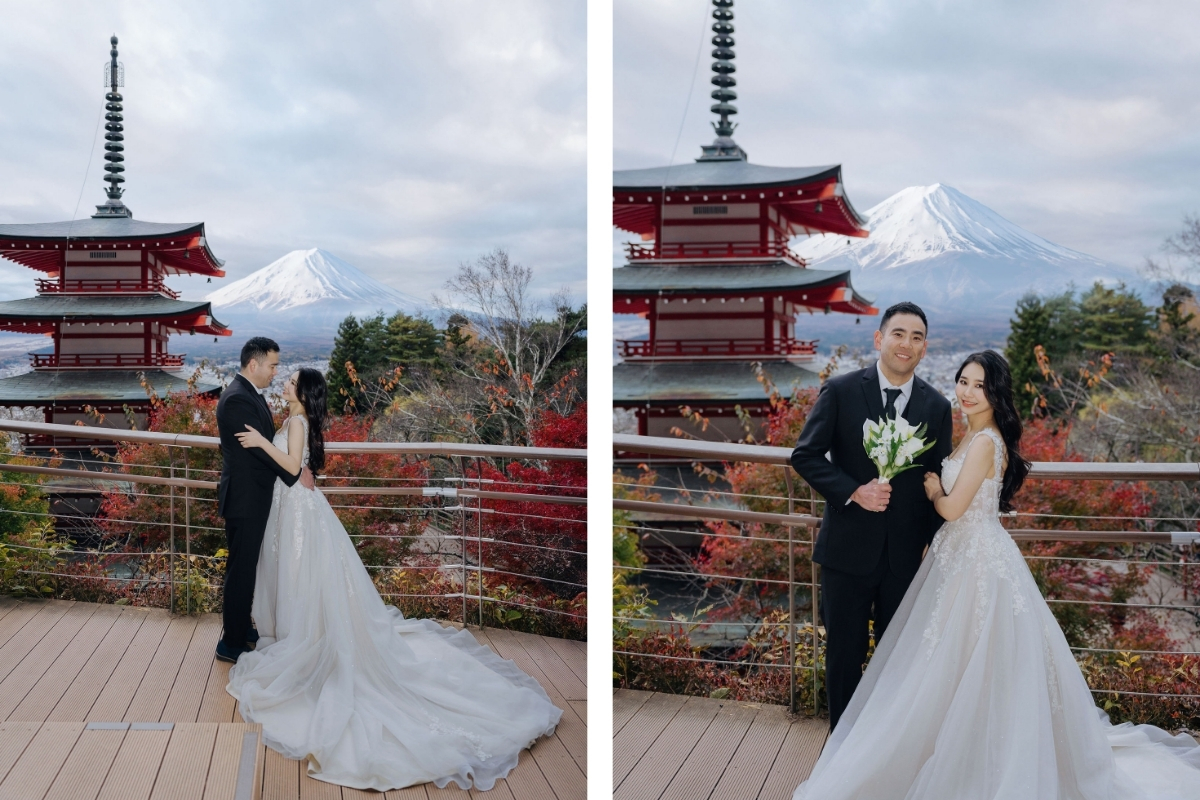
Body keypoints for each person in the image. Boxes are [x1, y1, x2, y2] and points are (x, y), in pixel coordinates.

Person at [793, 350, 1200, 798]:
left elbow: (952, 507)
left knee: (965, 657)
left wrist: (933, 490)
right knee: (948, 661)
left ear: (995, 393)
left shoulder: (985, 442)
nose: (967, 392)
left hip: (977, 561)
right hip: (957, 557)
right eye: (963, 381)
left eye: (979, 385)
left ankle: (973, 757)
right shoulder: (969, 435)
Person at [225, 367, 562, 792]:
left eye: (291, 380)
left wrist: (258, 442)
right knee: (305, 581)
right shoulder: (297, 420)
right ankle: (302, 635)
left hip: (297, 512)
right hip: (298, 509)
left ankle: (302, 643)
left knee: (300, 578)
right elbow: (300, 467)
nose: (285, 382)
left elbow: (293, 466)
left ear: (303, 392)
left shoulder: (295, 421)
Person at [791, 301, 953, 729]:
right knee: (843, 654)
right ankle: (839, 749)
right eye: (899, 334)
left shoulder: (936, 407)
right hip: (846, 551)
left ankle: (882, 749)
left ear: (924, 348)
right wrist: (853, 491)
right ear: (880, 339)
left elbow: (939, 480)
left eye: (917, 337)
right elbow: (805, 455)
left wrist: (928, 546)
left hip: (905, 560)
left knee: (898, 657)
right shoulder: (841, 391)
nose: (907, 344)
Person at [214, 337, 315, 663]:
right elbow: (257, 449)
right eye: (272, 365)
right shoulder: (236, 400)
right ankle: (231, 642)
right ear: (253, 364)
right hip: (245, 499)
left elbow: (264, 444)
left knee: (246, 568)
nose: (276, 372)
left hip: (255, 496)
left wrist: (299, 467)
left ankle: (242, 627)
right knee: (241, 571)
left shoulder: (246, 395)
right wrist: (295, 473)